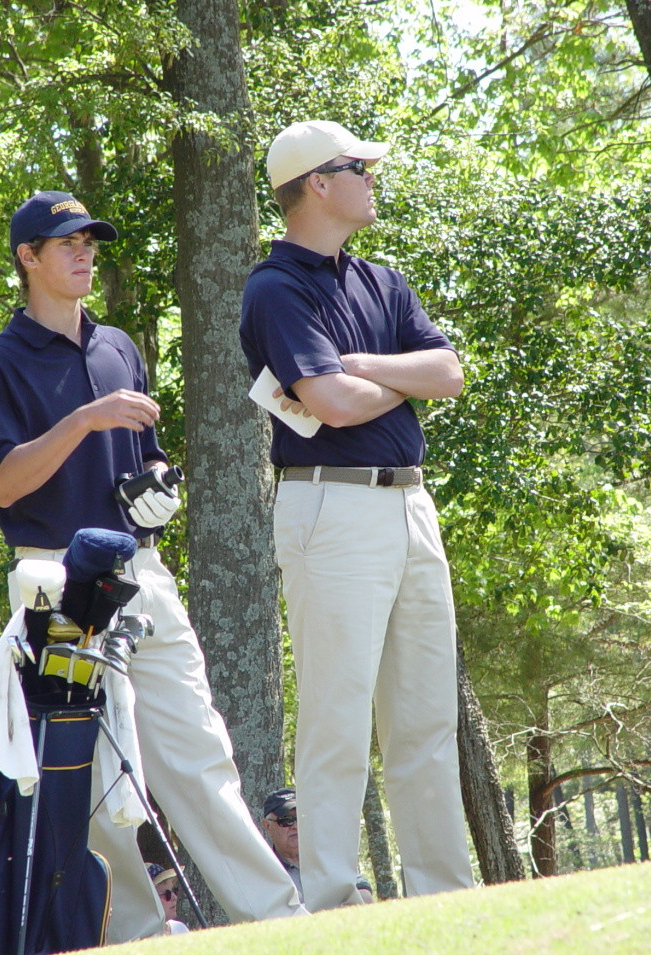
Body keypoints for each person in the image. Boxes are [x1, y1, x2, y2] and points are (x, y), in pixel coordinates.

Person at [0, 189, 306, 942]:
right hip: (55, 583)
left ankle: (278, 915)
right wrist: (85, 421)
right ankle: (143, 940)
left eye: (90, 241)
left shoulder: (118, 346)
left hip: (142, 571)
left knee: (200, 750)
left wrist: (157, 488)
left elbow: (143, 454)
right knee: (96, 776)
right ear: (28, 258)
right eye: (67, 244)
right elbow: (4, 482)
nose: (85, 253)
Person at [240, 121, 476, 912]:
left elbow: (449, 371)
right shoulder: (275, 288)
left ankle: (444, 893)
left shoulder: (382, 280)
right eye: (359, 167)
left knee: (424, 720)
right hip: (329, 507)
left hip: (410, 503)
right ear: (317, 183)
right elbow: (329, 405)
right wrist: (393, 380)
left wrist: (370, 366)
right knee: (338, 722)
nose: (373, 177)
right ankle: (335, 900)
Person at [261, 788, 373, 904]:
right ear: (268, 826)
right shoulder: (265, 871)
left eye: (301, 819)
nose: (295, 826)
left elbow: (364, 893)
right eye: (286, 821)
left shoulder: (326, 859)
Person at [147, 863, 191, 935]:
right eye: (167, 894)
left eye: (174, 891)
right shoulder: (139, 938)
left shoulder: (181, 930)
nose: (174, 898)